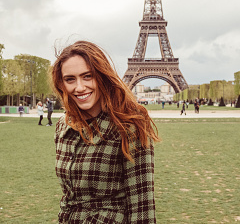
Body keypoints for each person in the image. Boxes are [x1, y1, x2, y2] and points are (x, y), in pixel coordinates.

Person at [51, 40, 159, 223]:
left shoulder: (130, 126)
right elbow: (69, 198)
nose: (79, 87)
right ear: (62, 84)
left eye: (87, 76)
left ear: (102, 76)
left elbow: (142, 206)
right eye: (70, 79)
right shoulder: (63, 126)